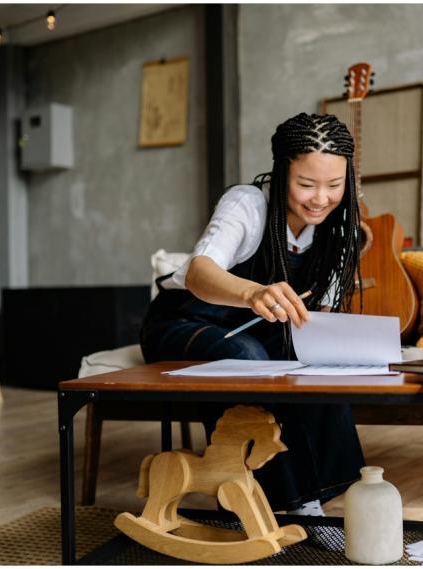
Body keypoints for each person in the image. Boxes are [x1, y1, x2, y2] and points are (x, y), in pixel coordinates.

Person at [140, 112, 365, 516]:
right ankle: (279, 502)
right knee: (248, 359)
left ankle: (316, 498)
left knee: (317, 367)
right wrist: (253, 292)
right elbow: (198, 272)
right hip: (184, 323)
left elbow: (322, 313)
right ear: (282, 175)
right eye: (306, 184)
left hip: (259, 335)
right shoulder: (248, 203)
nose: (320, 199)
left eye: (334, 185)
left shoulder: (338, 228)